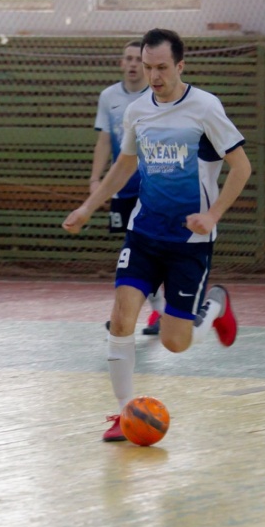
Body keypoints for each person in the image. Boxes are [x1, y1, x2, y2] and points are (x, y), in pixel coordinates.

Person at [63, 28, 253, 441]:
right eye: (148, 67)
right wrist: (88, 206)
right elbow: (125, 164)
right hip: (144, 234)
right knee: (121, 319)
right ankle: (124, 413)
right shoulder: (137, 111)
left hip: (189, 242)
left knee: (175, 343)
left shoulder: (205, 107)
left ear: (181, 65)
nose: (154, 76)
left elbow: (242, 167)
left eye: (162, 67)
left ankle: (215, 305)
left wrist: (212, 215)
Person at [91, 40, 163, 335]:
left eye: (138, 60)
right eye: (129, 59)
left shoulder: (156, 97)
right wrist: (96, 180)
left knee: (143, 250)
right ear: (122, 63)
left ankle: (148, 312)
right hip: (122, 187)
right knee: (131, 252)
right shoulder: (109, 97)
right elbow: (104, 141)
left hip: (152, 188)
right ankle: (150, 311)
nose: (133, 64)